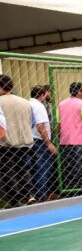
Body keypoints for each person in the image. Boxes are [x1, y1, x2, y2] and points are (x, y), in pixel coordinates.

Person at [0, 75, 34, 206]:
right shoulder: (25, 102)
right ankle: (29, 195)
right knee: (23, 169)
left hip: (6, 142)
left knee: (9, 172)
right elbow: (31, 122)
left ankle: (16, 200)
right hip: (24, 141)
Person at [58, 82, 82, 190]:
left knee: (68, 168)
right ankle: (81, 190)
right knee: (81, 168)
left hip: (65, 141)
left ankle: (69, 189)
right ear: (79, 92)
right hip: (80, 141)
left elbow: (58, 124)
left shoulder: (61, 104)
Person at [28, 84, 57, 202]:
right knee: (43, 168)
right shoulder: (39, 106)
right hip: (40, 141)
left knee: (32, 168)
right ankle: (41, 195)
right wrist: (49, 143)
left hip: (30, 140)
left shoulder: (28, 103)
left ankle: (32, 195)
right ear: (42, 94)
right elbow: (40, 126)